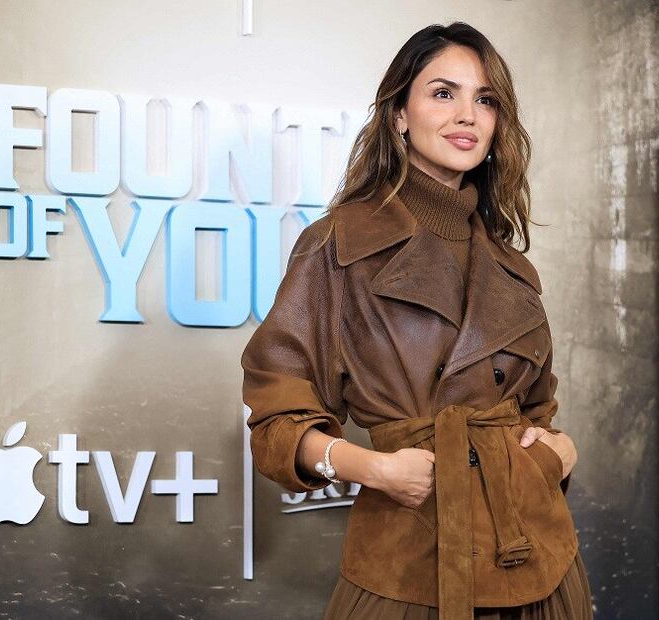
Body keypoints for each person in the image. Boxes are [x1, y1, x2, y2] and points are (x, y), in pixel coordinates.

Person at [241, 21, 593, 620]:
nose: (467, 115)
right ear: (399, 114)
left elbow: (536, 409)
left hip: (540, 563)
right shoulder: (338, 245)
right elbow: (277, 420)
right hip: (410, 558)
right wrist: (377, 469)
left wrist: (557, 453)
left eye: (486, 100)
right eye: (443, 93)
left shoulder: (512, 266)